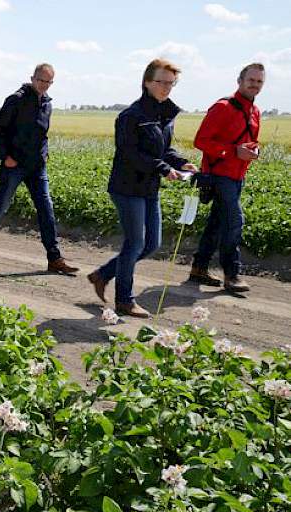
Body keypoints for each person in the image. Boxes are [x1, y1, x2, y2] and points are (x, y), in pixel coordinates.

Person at [87, 58, 197, 318]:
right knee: (135, 242)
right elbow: (129, 153)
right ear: (147, 82)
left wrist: (181, 162)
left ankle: (102, 275)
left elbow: (162, 149)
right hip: (126, 187)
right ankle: (124, 300)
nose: (167, 87)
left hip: (149, 188)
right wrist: (163, 168)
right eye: (162, 82)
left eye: (171, 83)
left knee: (151, 244)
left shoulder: (163, 114)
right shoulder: (131, 116)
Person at [0, 64, 78, 275]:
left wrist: (45, 152)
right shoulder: (16, 100)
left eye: (49, 82)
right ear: (32, 78)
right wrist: (6, 157)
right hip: (15, 165)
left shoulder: (47, 104)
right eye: (41, 80)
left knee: (46, 208)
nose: (44, 85)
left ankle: (54, 258)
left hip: (37, 166)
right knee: (0, 206)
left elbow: (43, 134)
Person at [188, 63, 265, 294]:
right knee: (234, 221)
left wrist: (254, 152)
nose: (255, 85)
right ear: (240, 81)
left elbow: (251, 142)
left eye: (259, 81)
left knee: (218, 223)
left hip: (237, 176)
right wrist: (233, 152)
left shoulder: (256, 111)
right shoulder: (222, 107)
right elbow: (200, 141)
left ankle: (199, 268)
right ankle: (232, 274)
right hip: (219, 176)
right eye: (251, 80)